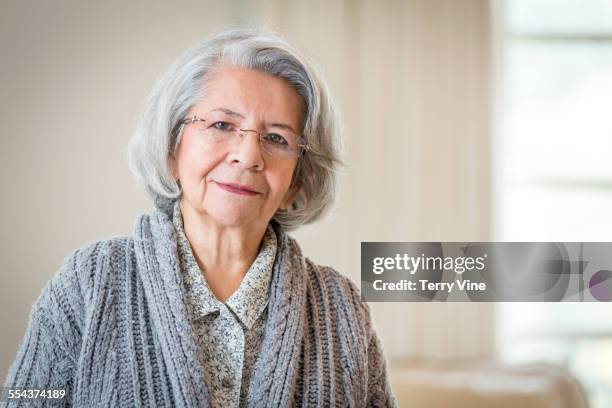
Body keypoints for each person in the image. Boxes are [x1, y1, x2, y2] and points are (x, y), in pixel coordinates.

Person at [2, 28, 396, 407]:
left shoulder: (342, 306)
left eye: (276, 138)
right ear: (173, 150)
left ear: (296, 181)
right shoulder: (89, 281)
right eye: (222, 125)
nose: (249, 155)